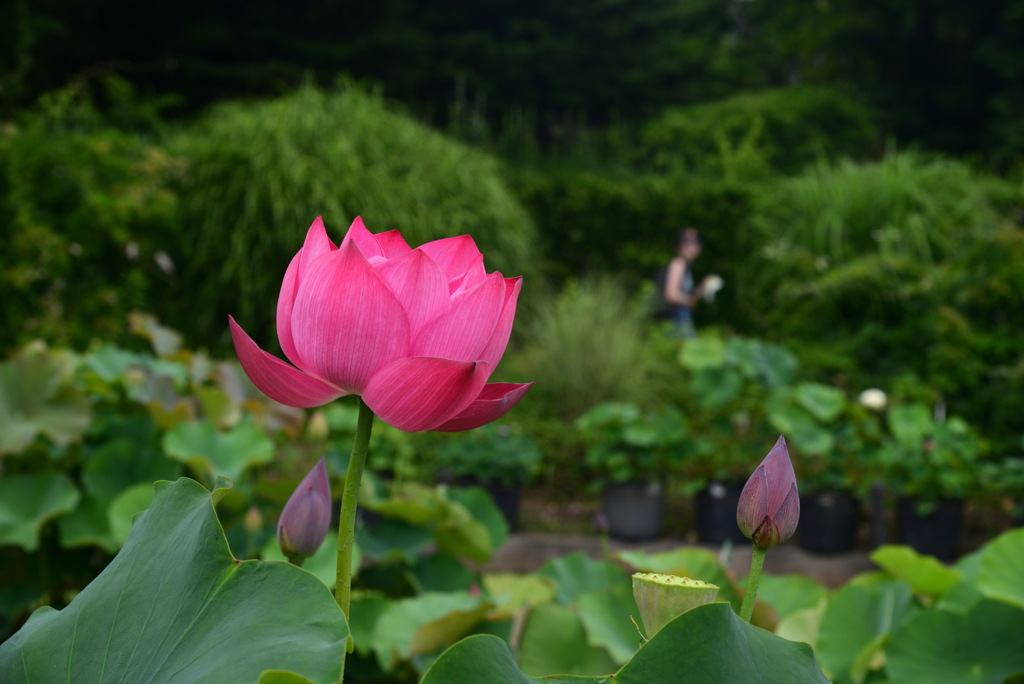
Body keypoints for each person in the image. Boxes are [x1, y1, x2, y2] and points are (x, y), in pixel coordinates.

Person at [663, 228, 710, 337]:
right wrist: (689, 301)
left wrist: (703, 286)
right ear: (678, 245)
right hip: (676, 320)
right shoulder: (678, 264)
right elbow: (671, 295)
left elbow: (689, 297)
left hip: (683, 318)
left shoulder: (686, 267)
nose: (692, 246)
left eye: (696, 242)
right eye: (686, 241)